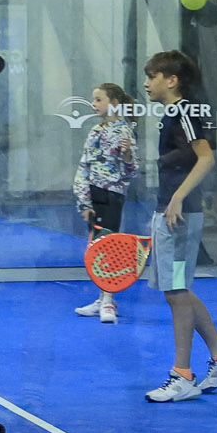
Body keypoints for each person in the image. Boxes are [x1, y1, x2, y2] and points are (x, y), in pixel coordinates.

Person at [141, 51, 217, 402]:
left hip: (180, 215)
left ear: (171, 80)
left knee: (176, 293)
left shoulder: (183, 112)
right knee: (179, 291)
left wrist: (176, 199)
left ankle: (182, 375)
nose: (146, 83)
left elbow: (206, 158)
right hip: (171, 212)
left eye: (152, 76)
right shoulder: (171, 115)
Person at [73, 82, 138, 325]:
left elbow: (132, 171)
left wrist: (128, 155)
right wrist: (83, 201)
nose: (94, 104)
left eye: (99, 99)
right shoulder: (94, 132)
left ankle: (108, 298)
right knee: (95, 247)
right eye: (93, 99)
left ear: (114, 103)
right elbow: (83, 167)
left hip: (112, 196)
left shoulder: (125, 133)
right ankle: (102, 297)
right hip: (93, 195)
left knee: (108, 247)